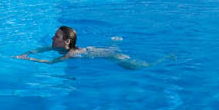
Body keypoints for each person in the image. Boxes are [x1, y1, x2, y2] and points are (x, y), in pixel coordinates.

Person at [16, 25, 150, 70]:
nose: (52, 38)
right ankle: (112, 44)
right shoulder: (55, 47)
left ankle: (150, 64)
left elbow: (51, 62)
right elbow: (41, 49)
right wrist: (27, 53)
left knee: (131, 66)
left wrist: (28, 59)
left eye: (56, 37)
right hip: (90, 49)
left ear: (66, 41)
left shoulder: (71, 53)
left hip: (103, 54)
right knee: (107, 49)